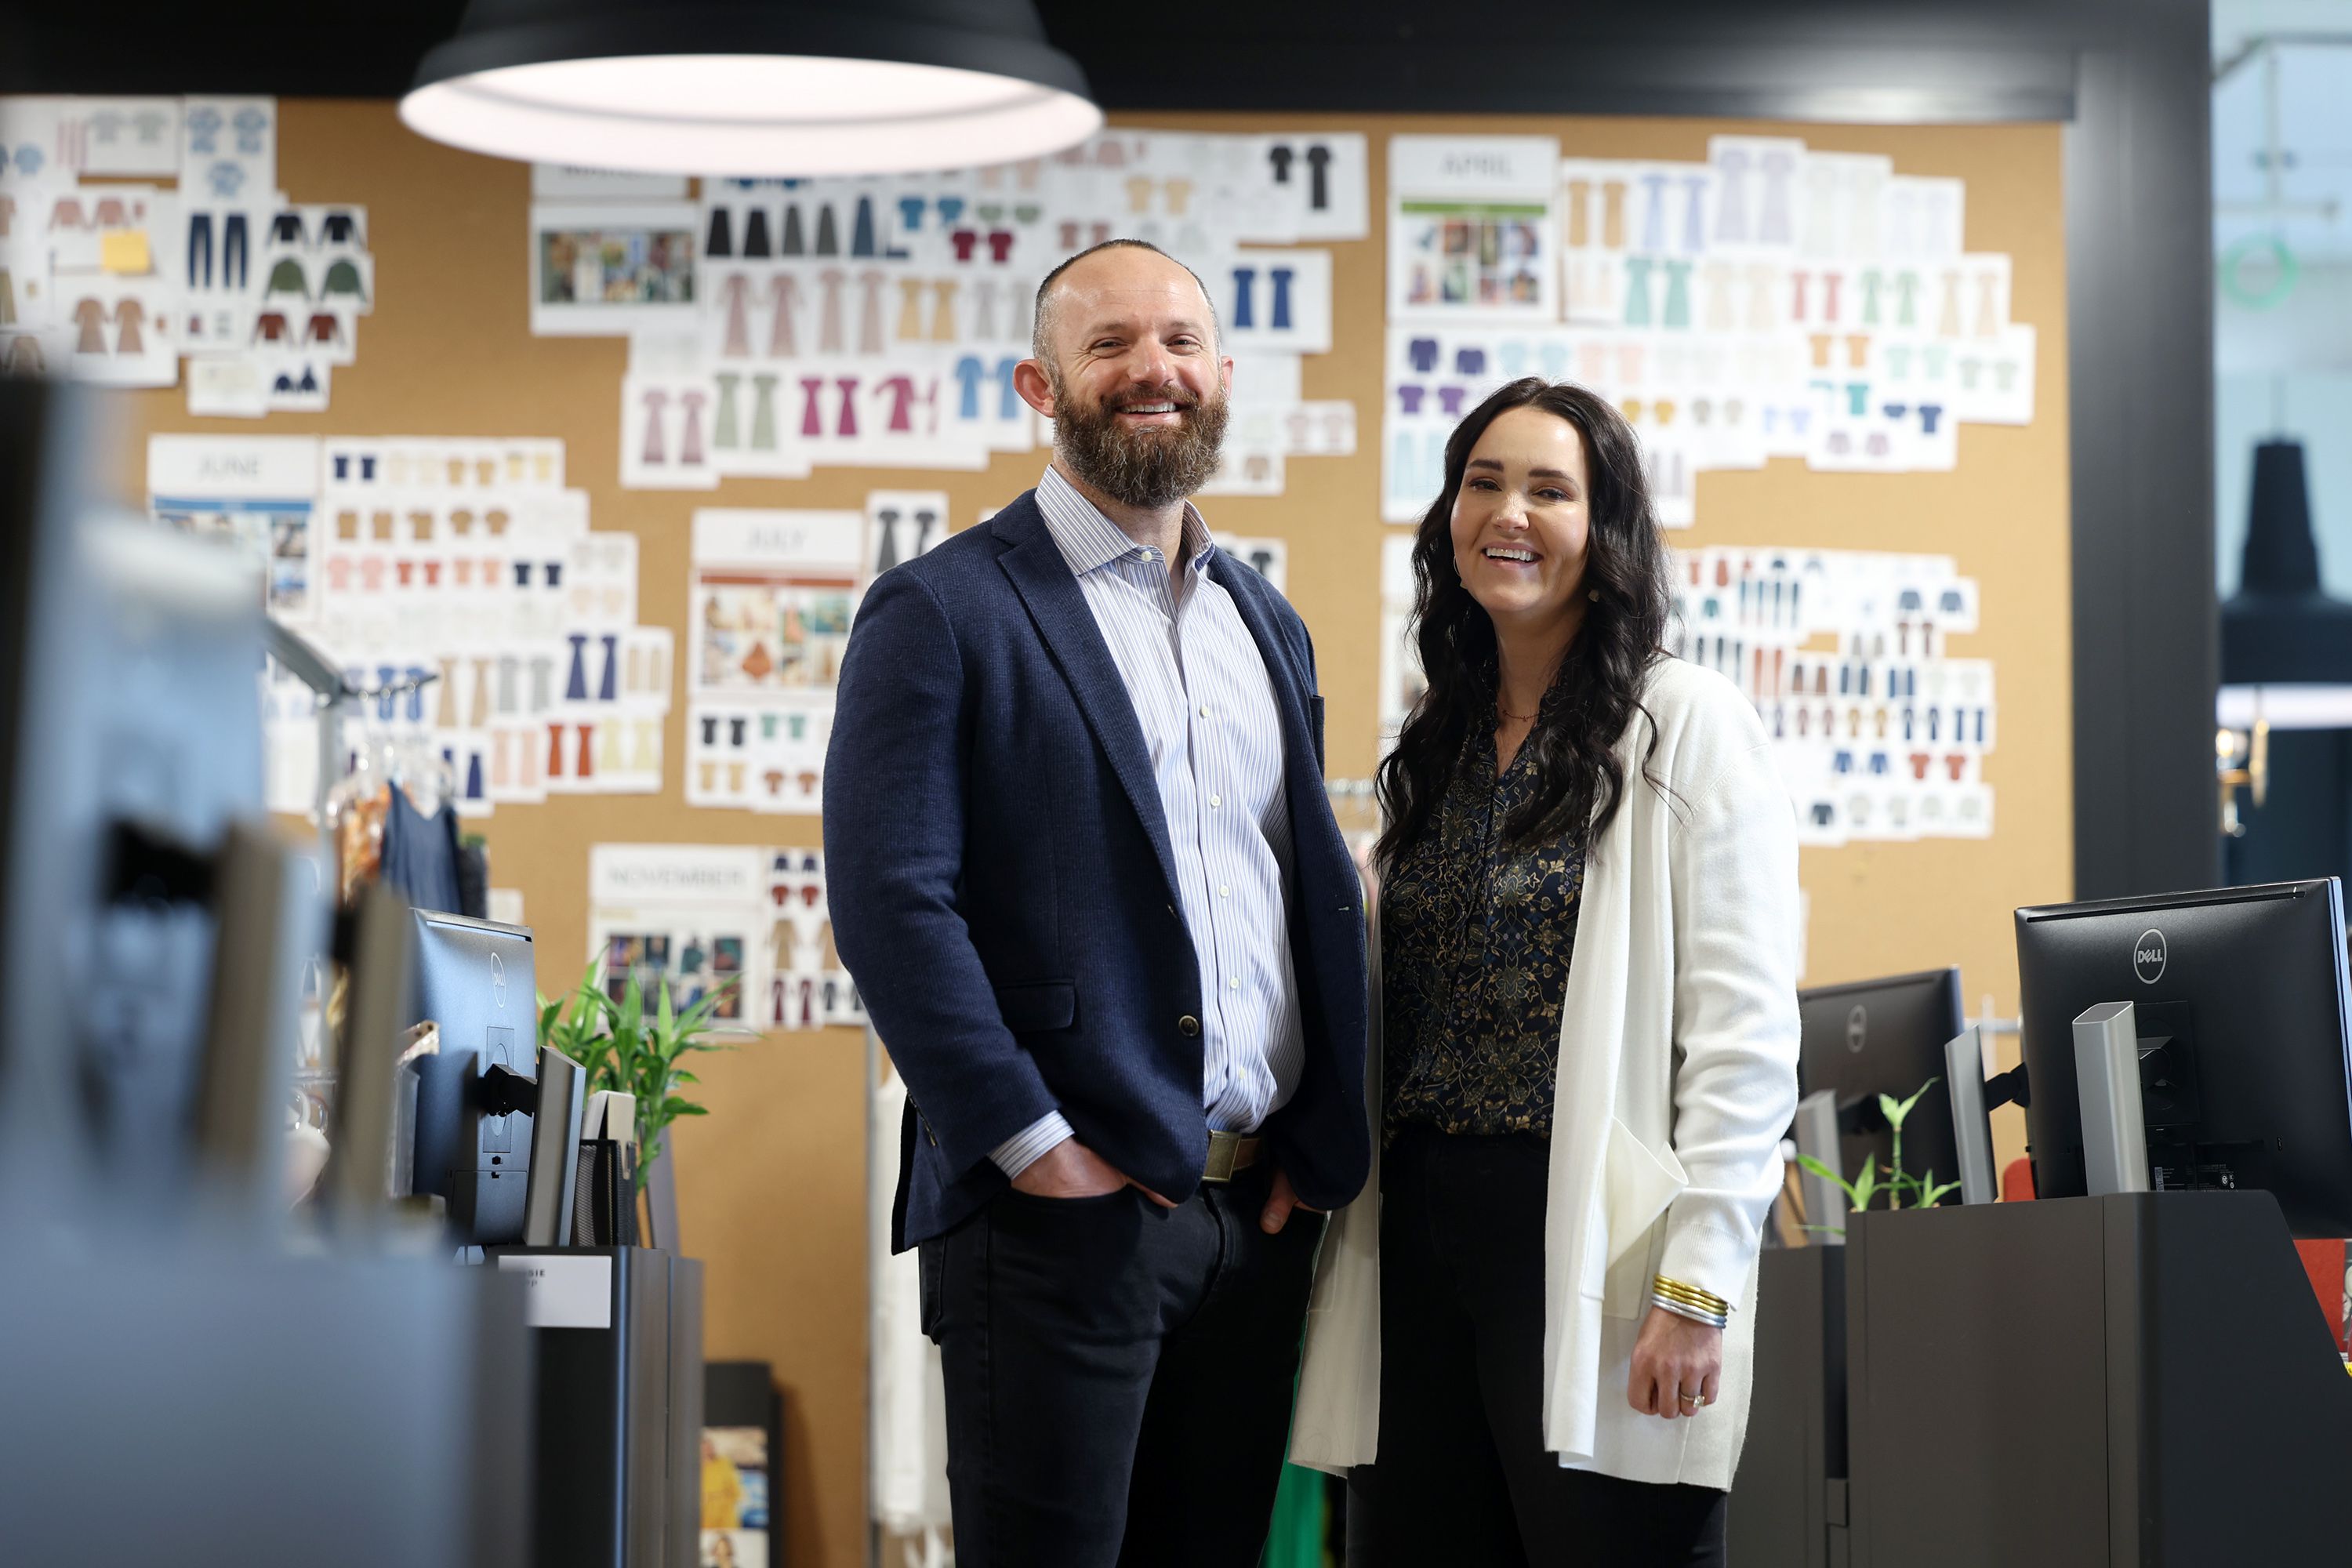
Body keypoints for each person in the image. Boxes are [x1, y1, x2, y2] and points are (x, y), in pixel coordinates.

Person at [823, 238, 1372, 1568]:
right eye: (1111, 344)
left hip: (1251, 1222)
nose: (1153, 372)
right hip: (1056, 1225)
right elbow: (894, 901)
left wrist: (1310, 1143)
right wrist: (1030, 1147)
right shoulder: (942, 610)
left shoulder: (1266, 623)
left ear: (1225, 375)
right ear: (1040, 382)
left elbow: (1289, 889)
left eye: (1181, 342)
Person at [1287, 378, 1801, 1565]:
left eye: (1549, 489)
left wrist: (1699, 1284)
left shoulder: (1684, 725)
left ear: (1604, 528)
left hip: (1585, 1238)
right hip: (1413, 1234)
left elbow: (1743, 1034)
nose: (1508, 513)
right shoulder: (1437, 746)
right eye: (1482, 483)